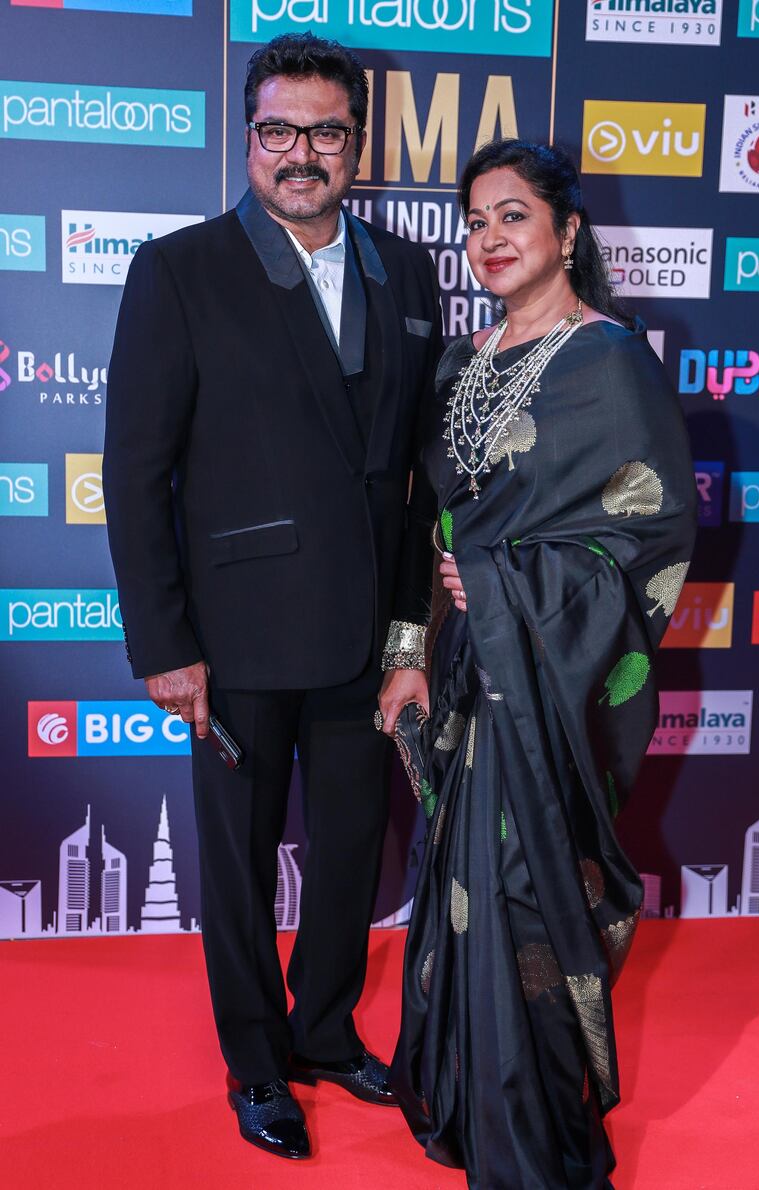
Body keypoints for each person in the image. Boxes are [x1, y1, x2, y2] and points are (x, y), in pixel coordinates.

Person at [103, 32, 440, 1162]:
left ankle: (325, 1028)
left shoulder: (407, 271)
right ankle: (256, 1063)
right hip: (233, 639)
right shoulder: (180, 269)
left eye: (326, 132)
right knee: (239, 863)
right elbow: (137, 468)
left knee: (350, 850)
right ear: (247, 138)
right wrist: (164, 641)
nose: (302, 153)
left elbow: (410, 478)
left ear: (358, 143)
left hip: (361, 637)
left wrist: (409, 637)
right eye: (278, 131)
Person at [383, 139, 697, 1189]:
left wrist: (514, 584)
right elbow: (431, 530)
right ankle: (489, 1118)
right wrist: (411, 651)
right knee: (470, 891)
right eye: (474, 222)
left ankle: (538, 1152)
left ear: (565, 232)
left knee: (525, 896)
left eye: (511, 217)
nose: (488, 239)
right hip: (470, 674)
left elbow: (646, 539)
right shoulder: (466, 361)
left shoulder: (608, 362)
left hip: (549, 687)